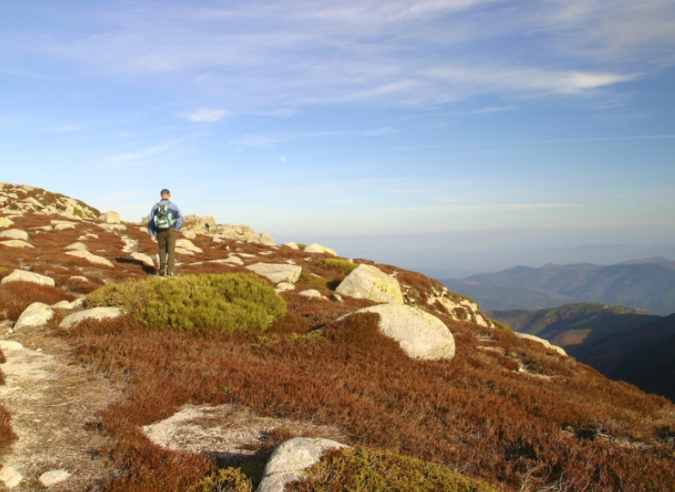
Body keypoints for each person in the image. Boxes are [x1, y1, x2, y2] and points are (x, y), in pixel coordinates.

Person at [148, 188, 183, 276]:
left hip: (159, 231)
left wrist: (151, 234)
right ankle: (170, 271)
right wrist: (176, 229)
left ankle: (162, 264)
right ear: (169, 195)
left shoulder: (155, 206)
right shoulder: (173, 206)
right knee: (171, 251)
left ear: (161, 195)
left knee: (161, 249)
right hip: (170, 230)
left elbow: (151, 221)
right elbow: (180, 219)